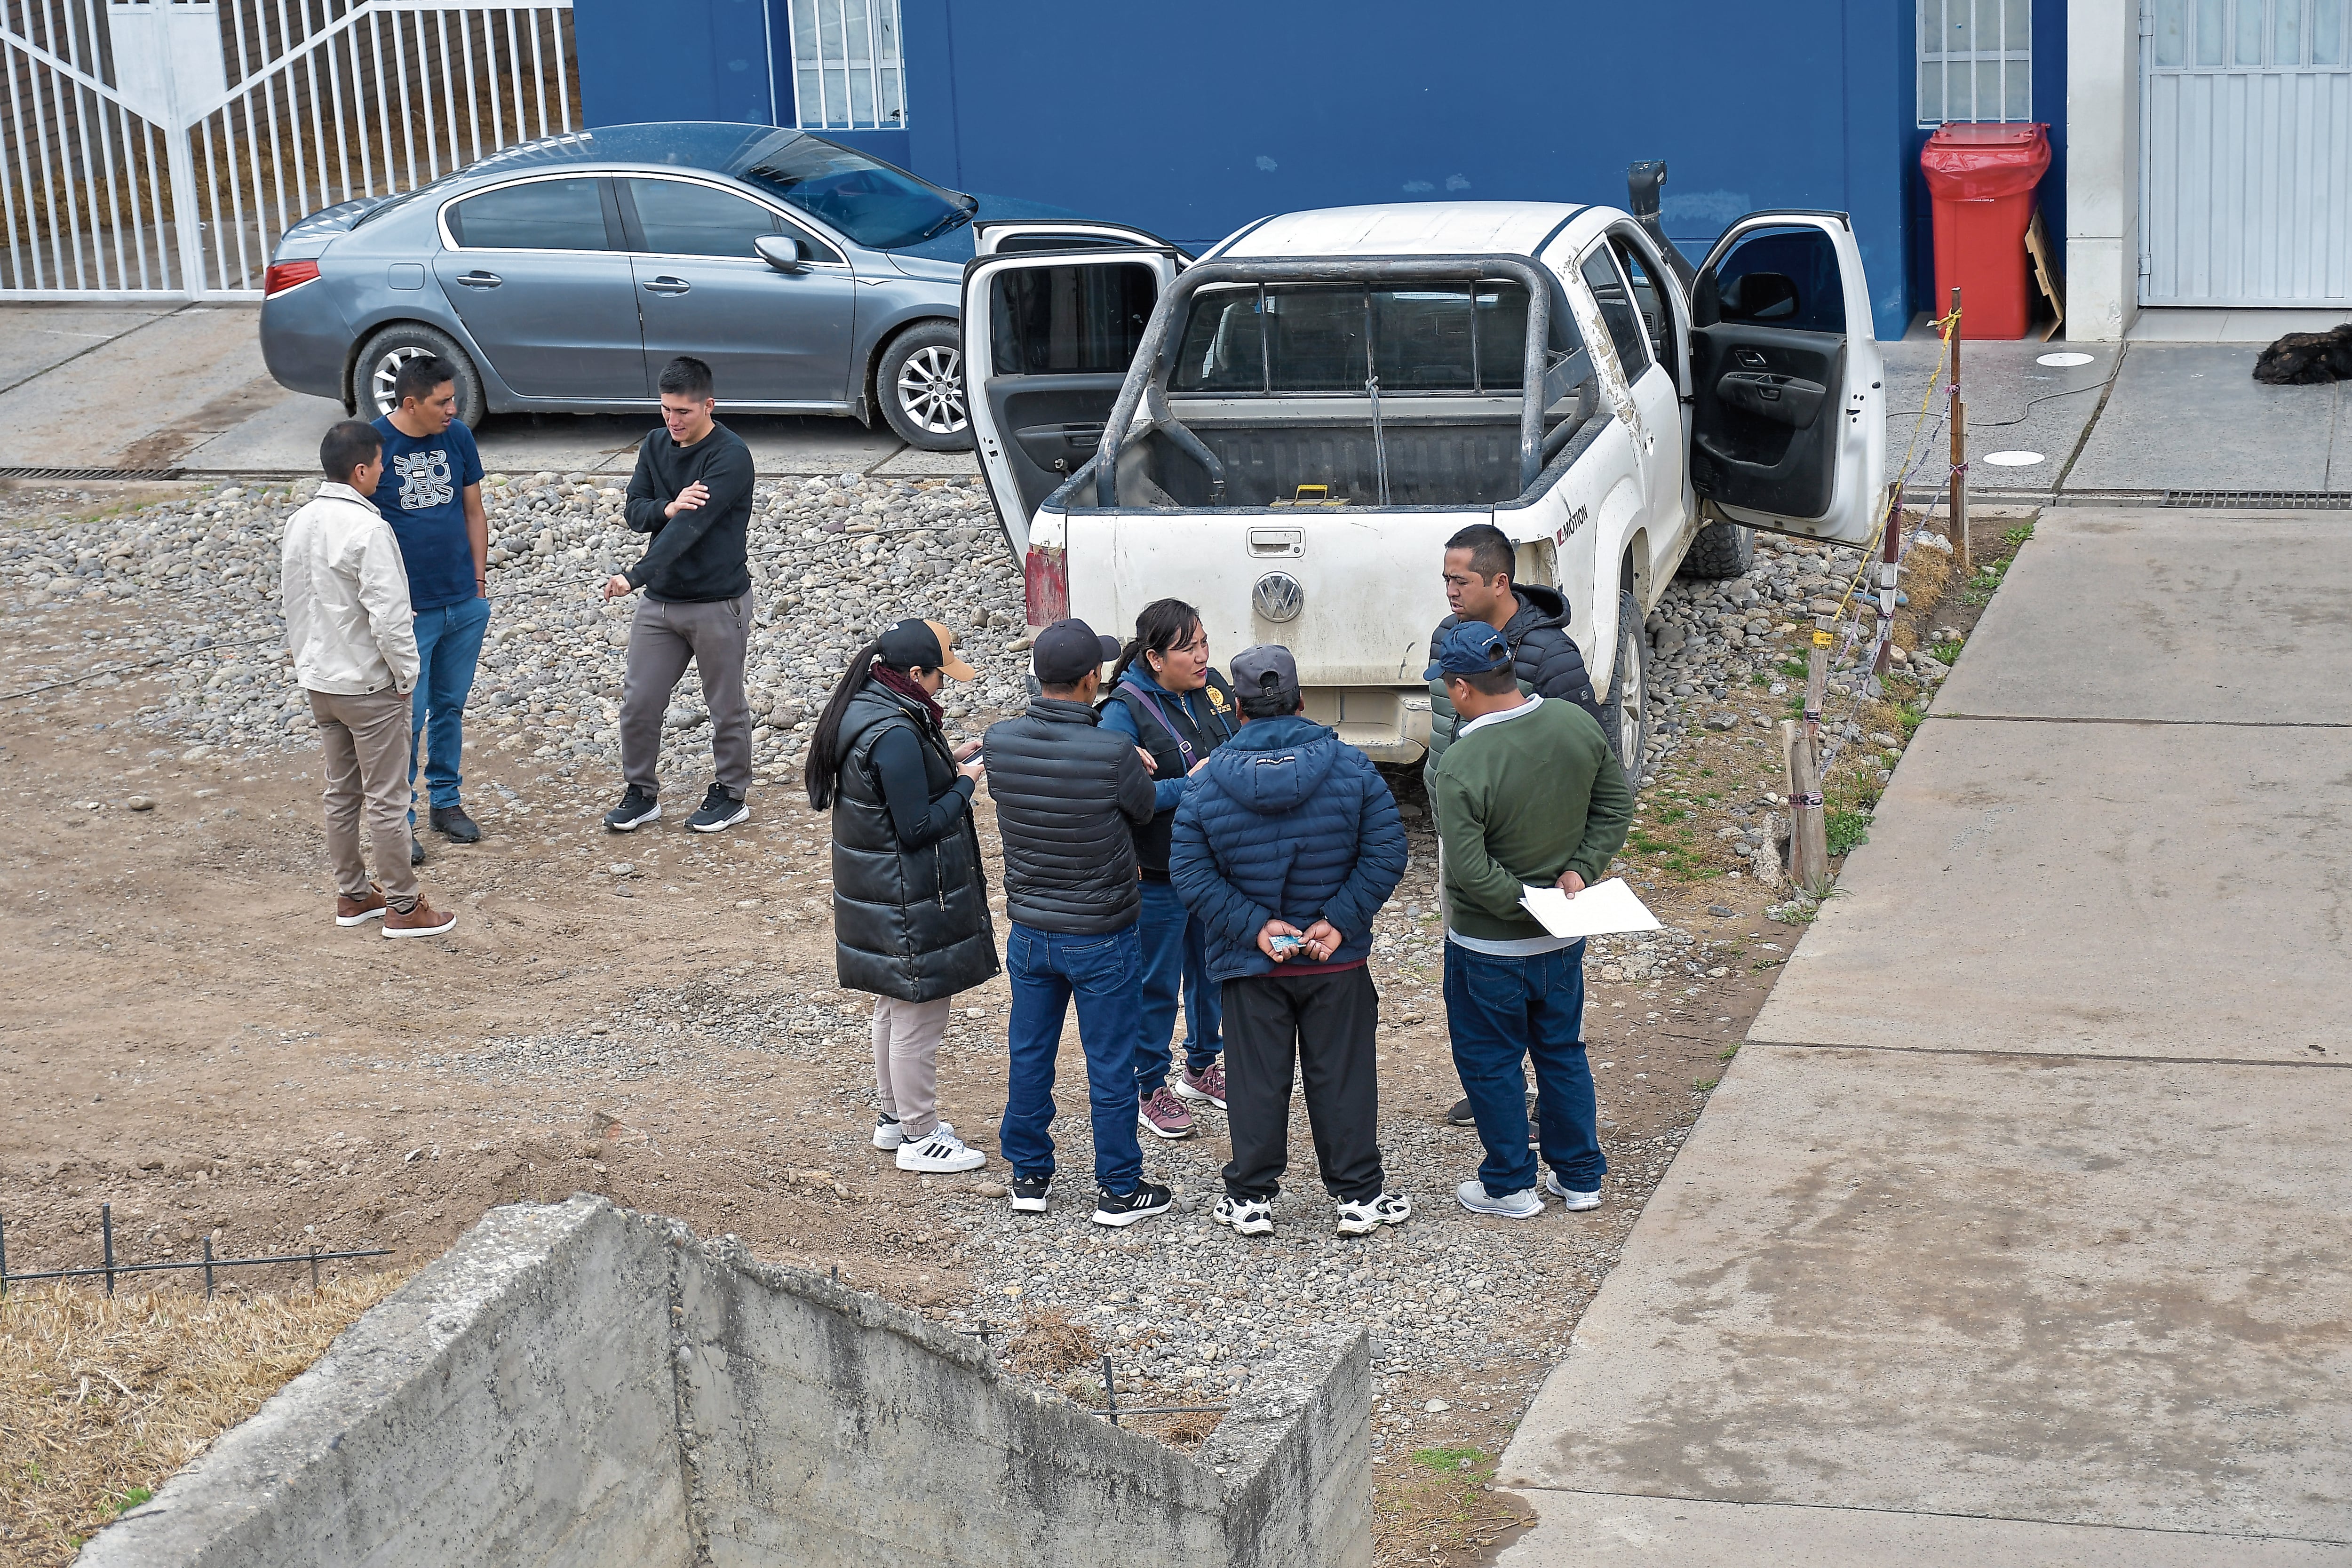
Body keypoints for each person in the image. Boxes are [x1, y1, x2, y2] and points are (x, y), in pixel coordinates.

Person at [1169, 645, 1410, 1239]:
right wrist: (1339, 920)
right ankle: (1358, 1197)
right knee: (1344, 1075)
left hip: (1252, 963)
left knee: (1255, 1081)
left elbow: (1191, 874)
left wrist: (1254, 925)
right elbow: (1386, 853)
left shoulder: (1206, 783)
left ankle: (1250, 1199)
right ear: (1302, 701)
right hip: (1335, 959)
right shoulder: (1351, 767)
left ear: (1238, 709)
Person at [1423, 621, 1631, 1219]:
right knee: (1562, 1051)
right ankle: (1580, 1178)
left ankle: (1510, 1185)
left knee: (1490, 1061)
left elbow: (1467, 870)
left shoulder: (1462, 762)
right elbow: (1615, 804)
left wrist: (1521, 901)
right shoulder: (1575, 724)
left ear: (1462, 689)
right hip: (1563, 936)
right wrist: (1579, 871)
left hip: (1486, 947)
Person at [982, 619, 1169, 1227]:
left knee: (1030, 1053)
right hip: (1103, 932)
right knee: (1111, 1060)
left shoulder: (1000, 741)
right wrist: (1156, 774)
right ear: (1092, 679)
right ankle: (1118, 1186)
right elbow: (1143, 812)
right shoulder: (1111, 750)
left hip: (1032, 930)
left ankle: (1029, 1175)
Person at [1425, 521, 1606, 1128]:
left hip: (1539, 860)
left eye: (1461, 580)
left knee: (1530, 1001)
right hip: (1469, 832)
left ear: (1498, 582)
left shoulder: (1549, 655)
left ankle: (1517, 1121)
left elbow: (1590, 755)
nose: (1449, 591)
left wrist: (1575, 863)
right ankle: (1501, 1095)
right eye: (1445, 578)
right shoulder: (1449, 636)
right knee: (1483, 986)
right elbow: (1444, 729)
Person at [806, 618, 998, 1175]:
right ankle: (920, 1134)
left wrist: (948, 762)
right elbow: (916, 826)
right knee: (919, 1014)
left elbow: (903, 785)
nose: (945, 686)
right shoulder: (893, 732)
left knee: (893, 1006)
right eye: (942, 676)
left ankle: (894, 1119)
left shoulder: (870, 706)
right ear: (915, 674)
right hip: (909, 897)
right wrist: (966, 784)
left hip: (881, 893)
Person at [281, 420, 457, 939]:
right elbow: (388, 614)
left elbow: (293, 599)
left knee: (342, 791)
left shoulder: (301, 521)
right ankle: (404, 906)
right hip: (367, 683)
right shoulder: (369, 530)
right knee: (387, 797)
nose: (385, 470)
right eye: (380, 463)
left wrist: (306, 664)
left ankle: (353, 894)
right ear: (361, 470)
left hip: (321, 680)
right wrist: (407, 675)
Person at [1097, 598, 1238, 1140]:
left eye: (1205, 642)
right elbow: (1120, 798)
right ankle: (1148, 1085)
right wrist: (1191, 784)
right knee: (1156, 984)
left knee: (1212, 973)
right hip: (1155, 874)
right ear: (1154, 658)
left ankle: (1202, 1068)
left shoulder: (1214, 688)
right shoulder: (1121, 713)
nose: (1204, 656)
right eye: (1190, 648)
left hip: (1213, 869)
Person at [602, 355, 758, 836]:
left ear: (708, 405)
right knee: (639, 702)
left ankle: (731, 794)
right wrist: (667, 505)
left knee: (724, 704)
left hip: (717, 602)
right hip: (661, 605)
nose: (672, 421)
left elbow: (689, 530)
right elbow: (635, 511)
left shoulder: (730, 457)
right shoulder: (654, 443)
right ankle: (641, 792)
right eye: (666, 410)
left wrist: (634, 576)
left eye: (683, 412)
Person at [369, 355, 489, 869]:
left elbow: (473, 510)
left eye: (453, 398)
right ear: (410, 403)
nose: (453, 408)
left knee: (450, 708)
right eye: (443, 401)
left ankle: (446, 801)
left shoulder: (457, 437)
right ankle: (402, 822)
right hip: (408, 614)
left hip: (462, 601)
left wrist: (479, 585)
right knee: (406, 719)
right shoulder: (372, 445)